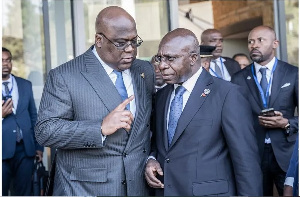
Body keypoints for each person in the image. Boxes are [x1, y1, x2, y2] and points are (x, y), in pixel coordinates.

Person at [35, 6, 155, 196]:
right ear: (99, 39)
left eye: (134, 41)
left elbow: (151, 127)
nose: (131, 49)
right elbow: (45, 131)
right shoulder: (65, 76)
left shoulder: (145, 71)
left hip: (138, 186)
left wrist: (151, 157)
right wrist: (99, 128)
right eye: (121, 43)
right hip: (86, 188)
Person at [145, 28, 262, 196]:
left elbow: (246, 162)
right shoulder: (162, 96)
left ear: (193, 58)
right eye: (159, 58)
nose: (162, 66)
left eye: (170, 59)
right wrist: (151, 159)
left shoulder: (227, 94)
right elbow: (160, 144)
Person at [231, 25, 298, 196]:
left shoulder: (293, 73)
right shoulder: (238, 78)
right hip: (253, 155)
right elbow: (235, 119)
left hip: (286, 153)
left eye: (260, 40)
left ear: (275, 43)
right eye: (250, 41)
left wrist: (286, 123)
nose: (254, 45)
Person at [2, 47, 44, 196]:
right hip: (2, 151)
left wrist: (39, 146)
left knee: (24, 192)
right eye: (1, 60)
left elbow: (34, 116)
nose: (5, 64)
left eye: (8, 60)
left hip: (25, 150)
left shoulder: (25, 85)